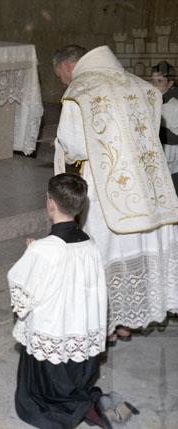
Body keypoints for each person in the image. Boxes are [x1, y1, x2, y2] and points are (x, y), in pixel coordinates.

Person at [52, 45, 178, 345]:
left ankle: (106, 324)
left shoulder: (79, 92)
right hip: (147, 188)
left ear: (68, 66)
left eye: (60, 76)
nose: (63, 81)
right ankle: (127, 321)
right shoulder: (143, 87)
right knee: (135, 248)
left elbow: (74, 146)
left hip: (105, 189)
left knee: (105, 253)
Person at [9, 173, 110, 429]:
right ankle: (80, 402)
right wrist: (37, 249)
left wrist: (32, 252)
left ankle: (56, 409)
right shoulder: (90, 243)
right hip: (79, 328)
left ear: (51, 204)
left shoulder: (44, 250)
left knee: (36, 398)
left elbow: (21, 287)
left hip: (53, 331)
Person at [151, 61, 178, 192]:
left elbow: (176, 137)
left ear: (170, 83)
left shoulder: (174, 106)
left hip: (171, 159)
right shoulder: (151, 101)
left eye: (160, 81)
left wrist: (154, 129)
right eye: (153, 81)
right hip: (155, 155)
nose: (154, 85)